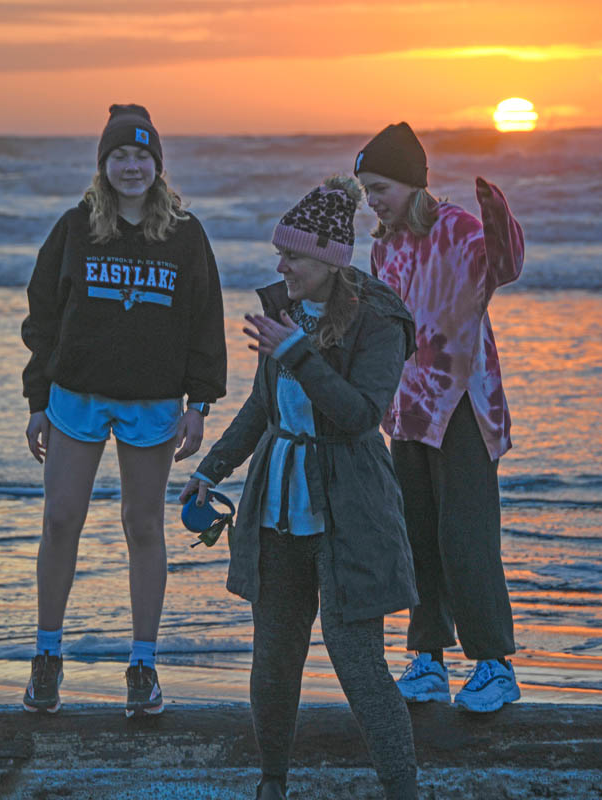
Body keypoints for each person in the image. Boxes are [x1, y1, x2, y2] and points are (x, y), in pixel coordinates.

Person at [181, 176, 420, 800]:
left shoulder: (379, 321)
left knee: (359, 665)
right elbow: (263, 409)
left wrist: (298, 354)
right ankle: (272, 784)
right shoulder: (281, 314)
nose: (280, 265)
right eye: (279, 253)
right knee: (274, 661)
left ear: (330, 262)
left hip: (352, 509)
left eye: (292, 256)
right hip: (275, 509)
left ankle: (403, 789)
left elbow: (361, 415)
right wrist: (212, 468)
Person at [20, 103, 226, 717]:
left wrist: (202, 403)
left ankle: (143, 663)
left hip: (154, 401)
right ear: (103, 164)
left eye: (141, 155)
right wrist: (37, 400)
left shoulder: (185, 233)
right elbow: (43, 316)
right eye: (119, 155)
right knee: (61, 519)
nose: (130, 166)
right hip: (76, 396)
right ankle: (47, 655)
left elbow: (204, 320)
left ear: (157, 165)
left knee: (143, 526)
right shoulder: (75, 228)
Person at [354, 122, 524, 713]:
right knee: (415, 536)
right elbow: (379, 327)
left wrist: (497, 217)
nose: (372, 200)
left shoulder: (458, 228)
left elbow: (503, 268)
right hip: (405, 408)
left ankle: (494, 664)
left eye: (380, 187)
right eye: (366, 190)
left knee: (465, 536)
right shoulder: (384, 246)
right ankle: (426, 659)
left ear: (410, 182)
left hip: (462, 407)